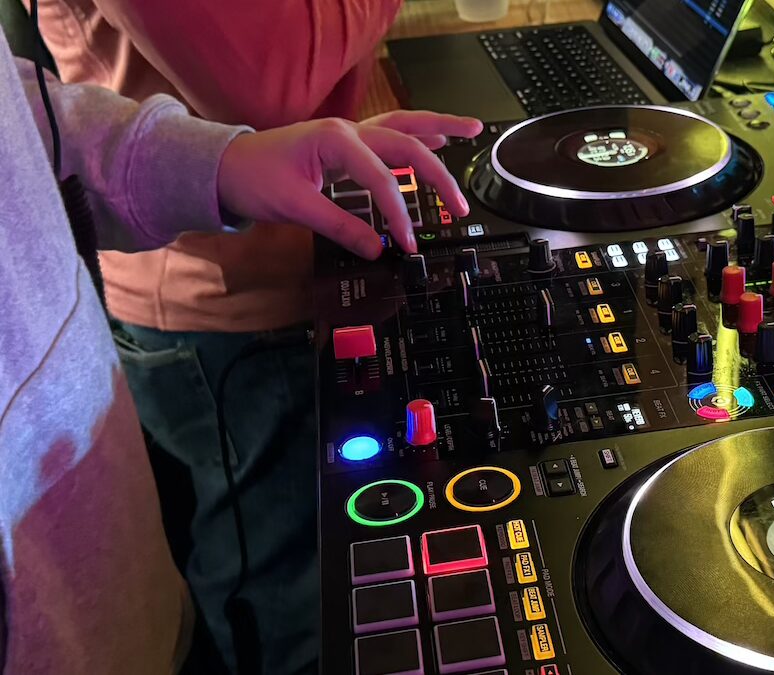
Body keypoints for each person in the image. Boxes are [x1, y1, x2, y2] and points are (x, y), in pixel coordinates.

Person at [0, 29, 480, 674]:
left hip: (98, 523)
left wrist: (221, 162)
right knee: (278, 595)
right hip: (216, 314)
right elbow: (266, 82)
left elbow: (29, 130)